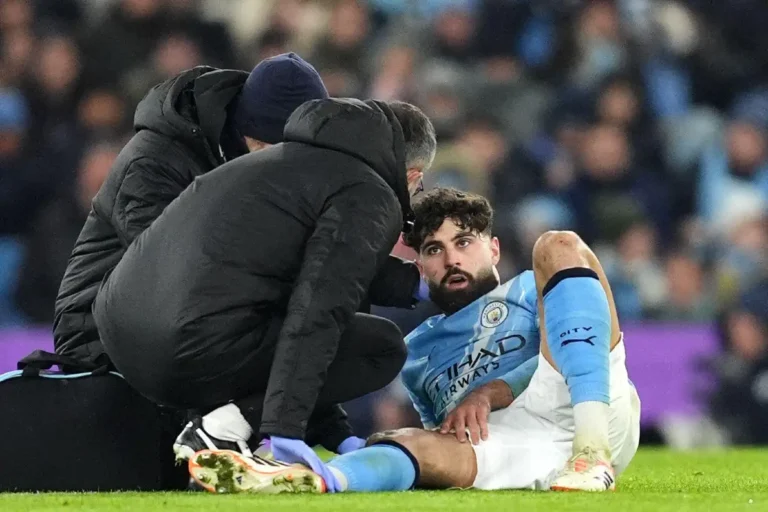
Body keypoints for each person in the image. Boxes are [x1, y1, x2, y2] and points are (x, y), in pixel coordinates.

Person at [189, 187, 641, 493]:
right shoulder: (416, 352)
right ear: (420, 267)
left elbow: (579, 337)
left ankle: (592, 453)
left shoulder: (529, 286)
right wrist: (394, 443)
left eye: (464, 242)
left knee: (558, 245)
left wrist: (490, 391)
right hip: (514, 444)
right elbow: (441, 438)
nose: (451, 259)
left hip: (583, 400)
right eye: (434, 250)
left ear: (495, 249)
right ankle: (305, 480)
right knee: (408, 441)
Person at [91, 98, 437, 487]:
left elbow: (320, 269)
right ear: (411, 173)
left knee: (291, 318)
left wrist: (335, 433)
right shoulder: (368, 192)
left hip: (121, 332)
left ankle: (226, 434)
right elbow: (320, 311)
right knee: (381, 346)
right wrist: (286, 428)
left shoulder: (288, 163)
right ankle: (223, 428)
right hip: (186, 345)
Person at [54, 53, 329, 368]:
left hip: (195, 327)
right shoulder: (154, 160)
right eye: (270, 149)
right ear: (245, 129)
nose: (281, 165)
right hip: (100, 334)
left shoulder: (284, 172)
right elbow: (168, 270)